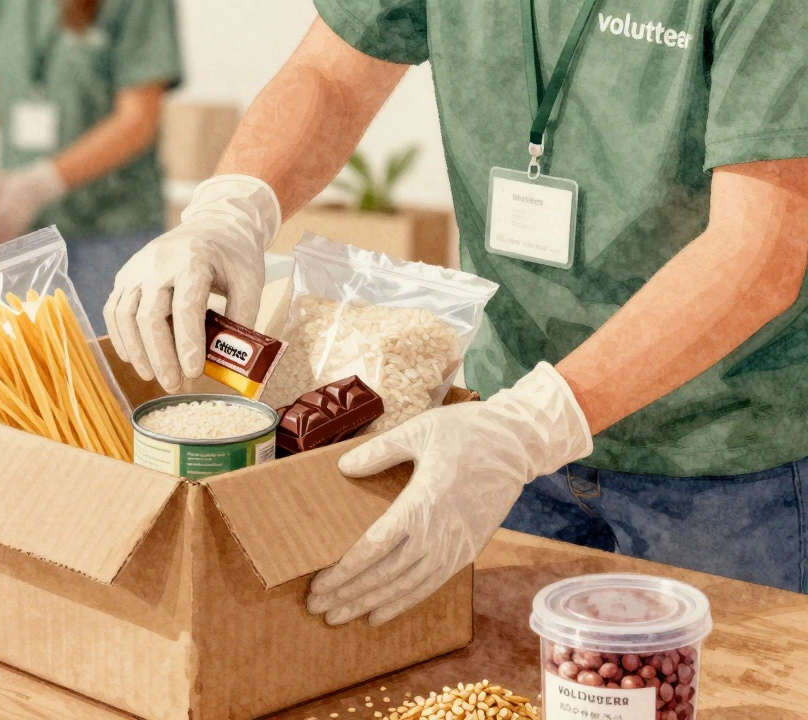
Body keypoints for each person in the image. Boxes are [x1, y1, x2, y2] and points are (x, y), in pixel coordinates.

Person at [105, 0, 808, 627]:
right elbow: (333, 74)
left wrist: (528, 427)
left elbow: (764, 245)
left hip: (722, 463)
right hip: (492, 446)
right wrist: (231, 208)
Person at [0, 0, 181, 335]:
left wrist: (44, 181)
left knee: (104, 371)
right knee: (32, 369)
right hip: (24, 236)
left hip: (109, 231)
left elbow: (137, 120)